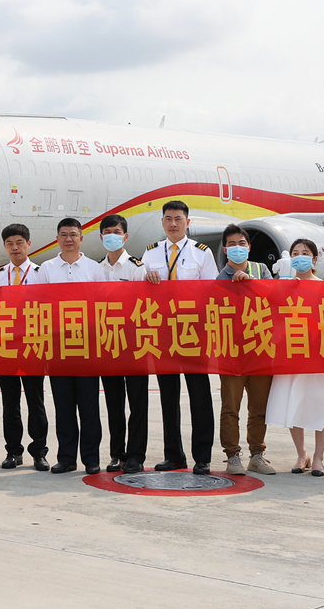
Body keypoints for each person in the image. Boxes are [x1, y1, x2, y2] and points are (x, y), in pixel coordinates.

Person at [143, 200, 217, 474]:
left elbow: (211, 292)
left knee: (199, 396)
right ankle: (174, 455)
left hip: (192, 334)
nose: (173, 224)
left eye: (178, 219)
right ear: (162, 222)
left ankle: (203, 456)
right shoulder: (150, 253)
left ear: (187, 222)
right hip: (163, 334)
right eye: (168, 219)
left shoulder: (201, 253)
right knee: (168, 397)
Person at [265, 239, 324, 476]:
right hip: (292, 356)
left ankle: (319, 457)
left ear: (314, 259)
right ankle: (302, 454)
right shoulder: (283, 287)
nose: (300, 256)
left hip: (319, 357)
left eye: (305, 253)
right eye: (295, 253)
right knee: (294, 403)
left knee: (323, 403)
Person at [39, 218, 110, 474]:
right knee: (64, 406)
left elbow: (102, 305)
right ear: (57, 238)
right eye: (63, 235)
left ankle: (91, 459)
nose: (68, 239)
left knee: (89, 407)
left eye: (73, 234)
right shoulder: (46, 268)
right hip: (57, 347)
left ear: (81, 238)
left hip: (86, 347)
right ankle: (66, 457)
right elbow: (38, 305)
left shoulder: (93, 268)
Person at [215, 225, 277, 476]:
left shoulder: (261, 270)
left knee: (259, 406)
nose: (237, 248)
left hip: (260, 347)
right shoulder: (220, 277)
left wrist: (253, 285)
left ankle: (257, 454)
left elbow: (275, 298)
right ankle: (232, 455)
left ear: (249, 247)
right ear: (225, 248)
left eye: (242, 244)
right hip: (232, 351)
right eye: (232, 244)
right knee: (231, 406)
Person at [0, 224, 48, 471]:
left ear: (29, 244)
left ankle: (39, 452)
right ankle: (13, 451)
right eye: (10, 244)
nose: (15, 248)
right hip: (5, 347)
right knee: (9, 402)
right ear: (4, 246)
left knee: (36, 402)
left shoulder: (40, 273)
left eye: (20, 243)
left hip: (33, 346)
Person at [98, 214, 148, 475]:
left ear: (125, 236)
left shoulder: (137, 267)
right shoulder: (97, 269)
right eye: (107, 232)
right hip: (108, 344)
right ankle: (118, 453)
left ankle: (136, 455)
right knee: (114, 403)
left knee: (138, 402)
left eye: (116, 232)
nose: (112, 236)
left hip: (135, 344)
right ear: (100, 237)